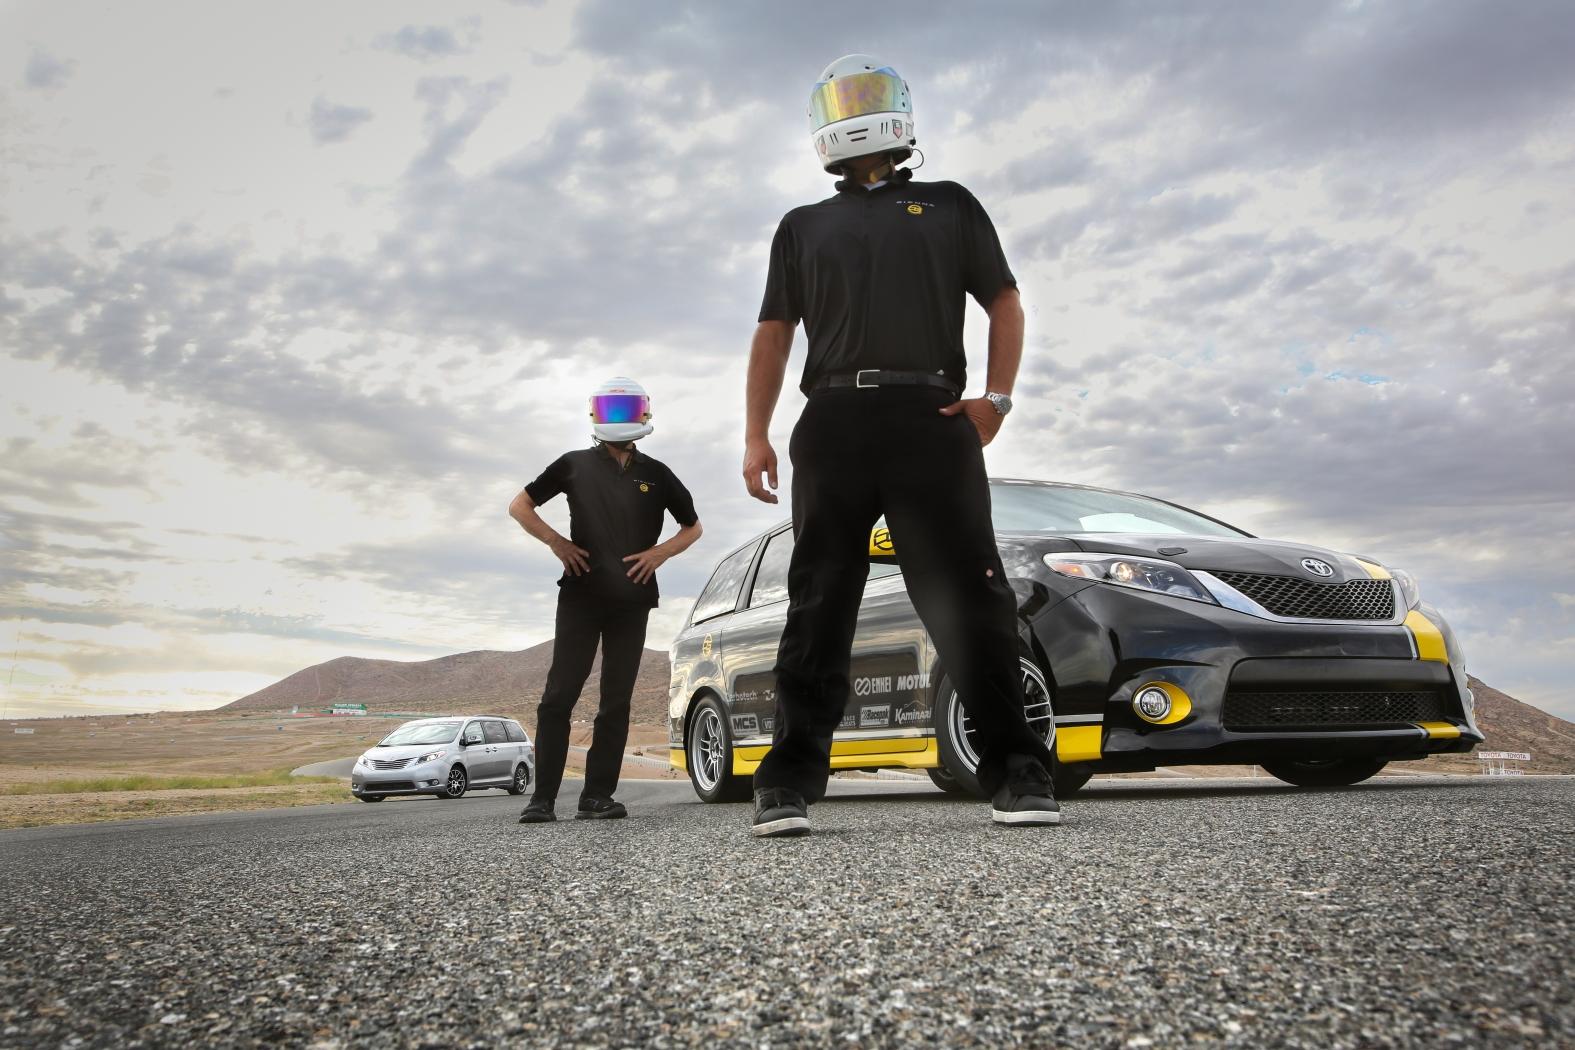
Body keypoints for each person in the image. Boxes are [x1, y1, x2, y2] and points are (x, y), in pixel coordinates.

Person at [742, 55, 1060, 837]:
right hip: (832, 419)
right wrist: (755, 432)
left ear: (900, 111)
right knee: (819, 596)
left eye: (870, 95)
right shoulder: (801, 225)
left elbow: (1004, 299)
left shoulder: (948, 204)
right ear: (820, 123)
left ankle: (1018, 771)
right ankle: (788, 781)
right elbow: (773, 332)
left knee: (970, 594)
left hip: (931, 414)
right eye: (842, 99)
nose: (857, 109)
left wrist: (997, 397)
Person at [510, 377, 702, 822]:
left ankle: (596, 797)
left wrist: (659, 554)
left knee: (616, 700)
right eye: (611, 411)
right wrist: (557, 543)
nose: (619, 419)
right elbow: (520, 505)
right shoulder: (573, 464)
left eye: (627, 410)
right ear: (596, 415)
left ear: (643, 413)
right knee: (559, 695)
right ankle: (542, 800)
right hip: (581, 594)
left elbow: (693, 527)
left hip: (633, 599)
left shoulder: (658, 474)